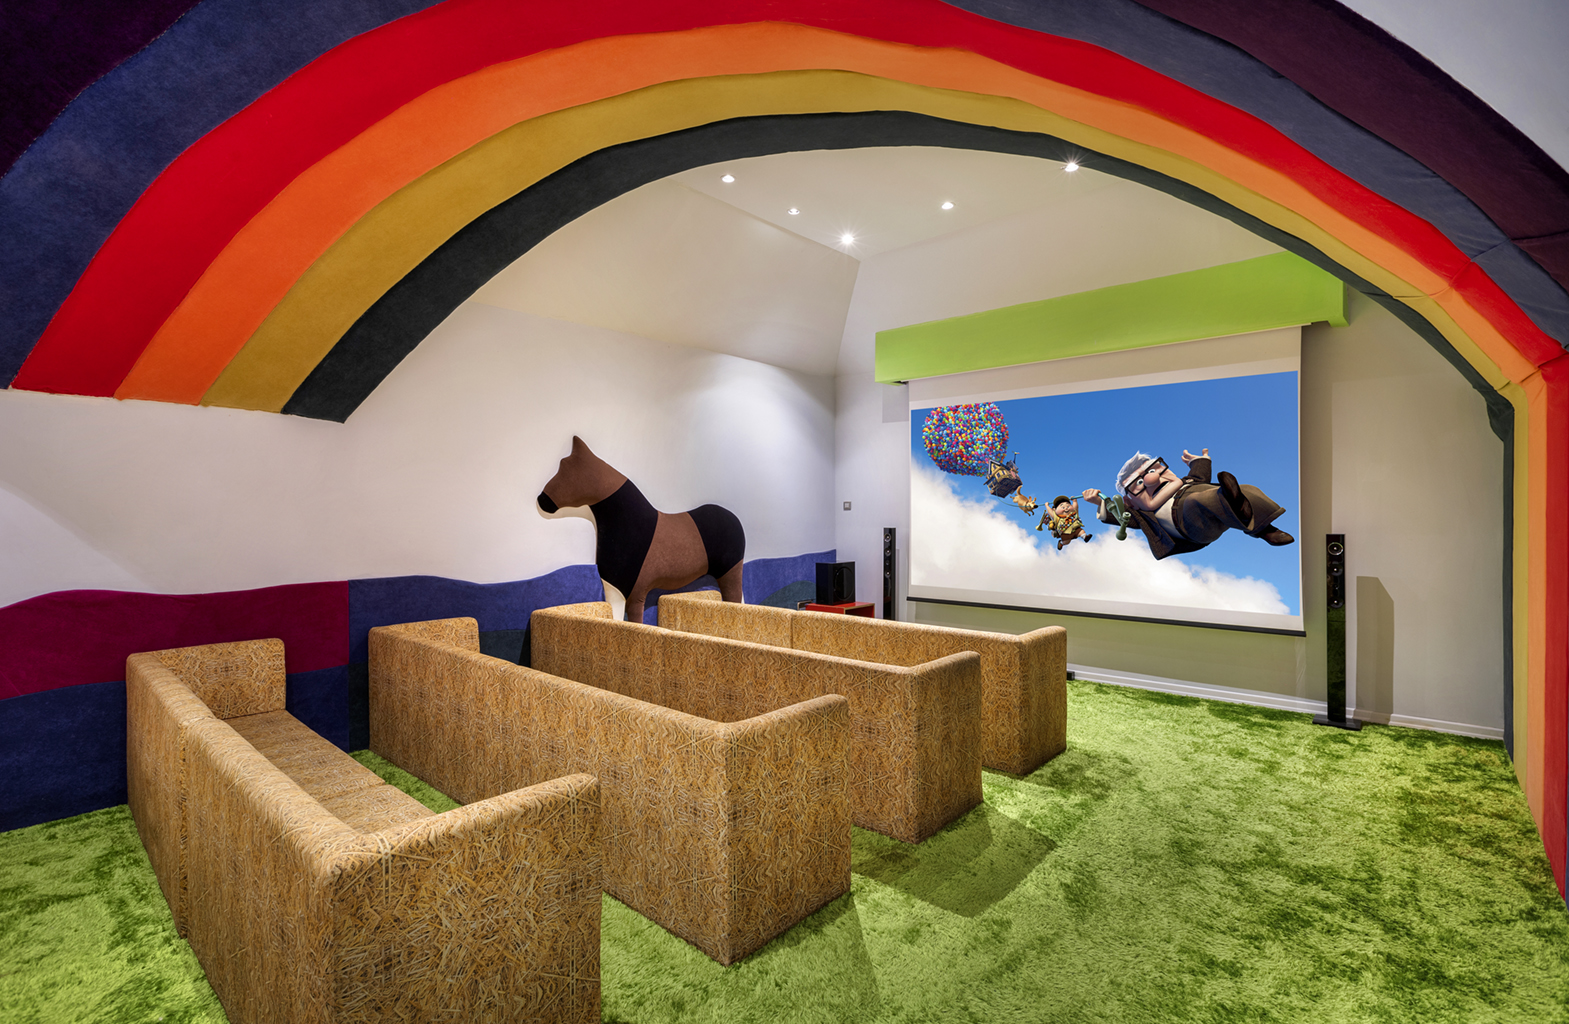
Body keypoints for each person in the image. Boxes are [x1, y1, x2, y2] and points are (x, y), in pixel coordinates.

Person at [1080, 448, 1293, 560]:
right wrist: (1098, 501)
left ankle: (1264, 528)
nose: (1152, 479)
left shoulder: (1190, 482)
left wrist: (1197, 461)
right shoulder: (1141, 512)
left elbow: (1199, 473)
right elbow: (1120, 514)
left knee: (1246, 489)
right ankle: (1234, 506)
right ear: (1131, 502)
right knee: (1198, 500)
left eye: (1153, 469)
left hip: (1214, 503)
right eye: (1138, 484)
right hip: (1190, 526)